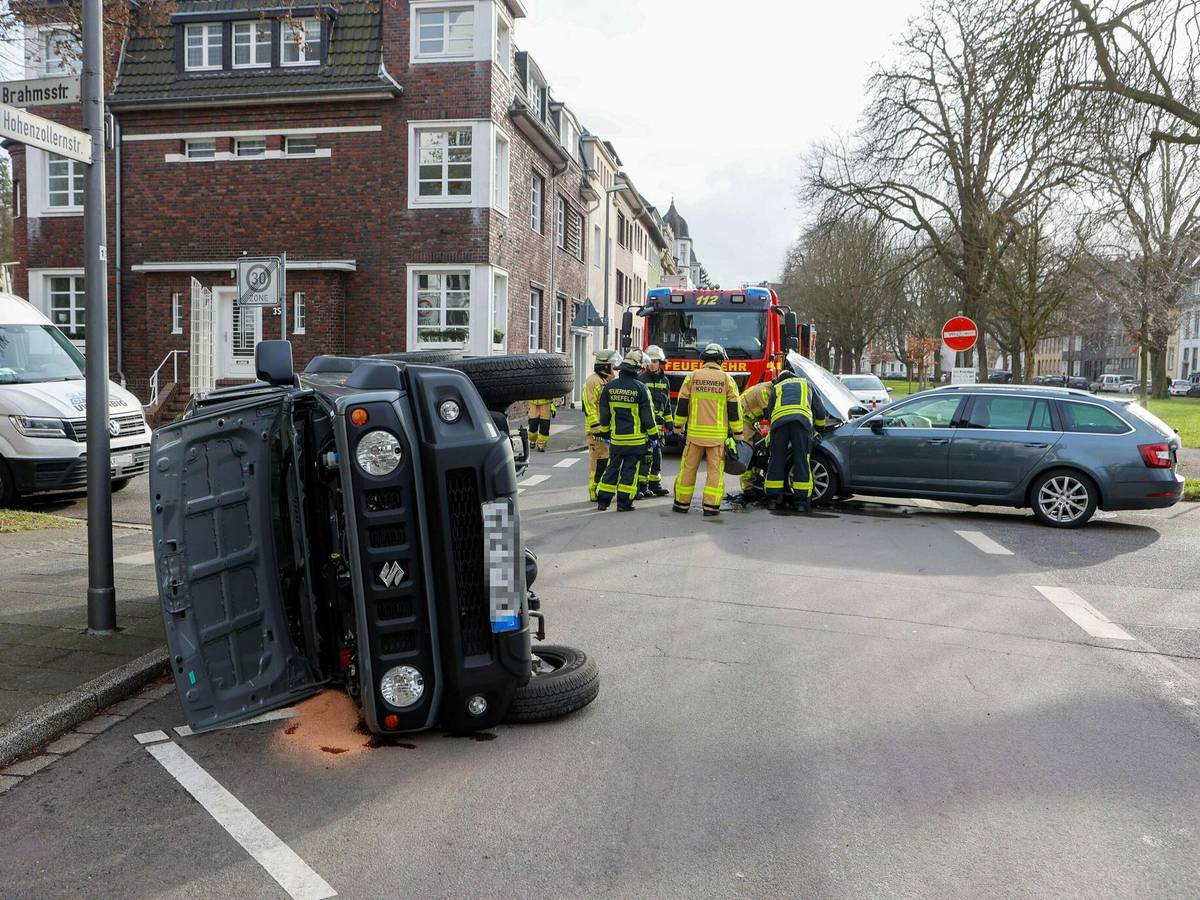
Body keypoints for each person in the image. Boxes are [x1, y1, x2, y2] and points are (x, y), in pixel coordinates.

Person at [672, 343, 742, 517]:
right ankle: (711, 507)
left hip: (694, 435)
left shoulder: (692, 377)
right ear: (720, 360)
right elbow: (734, 410)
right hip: (717, 438)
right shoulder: (727, 380)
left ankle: (682, 503)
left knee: (688, 469)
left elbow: (682, 405)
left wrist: (678, 427)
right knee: (714, 472)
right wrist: (738, 434)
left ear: (703, 359)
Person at [596, 350, 657, 512]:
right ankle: (624, 504)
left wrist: (605, 433)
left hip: (616, 440)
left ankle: (603, 501)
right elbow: (648, 417)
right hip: (636, 441)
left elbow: (604, 414)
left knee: (612, 469)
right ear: (636, 369)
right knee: (630, 471)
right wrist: (654, 436)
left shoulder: (609, 387)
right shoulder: (641, 388)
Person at [763, 362, 828, 514]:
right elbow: (820, 410)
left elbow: (770, 411)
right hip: (801, 422)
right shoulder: (806, 384)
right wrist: (818, 430)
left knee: (776, 459)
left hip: (779, 423)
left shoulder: (777, 387)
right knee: (802, 460)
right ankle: (801, 503)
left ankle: (773, 500)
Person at [583, 350, 619, 502]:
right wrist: (597, 428)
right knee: (598, 462)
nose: (613, 367)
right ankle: (594, 490)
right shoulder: (592, 381)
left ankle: (602, 489)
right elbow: (588, 407)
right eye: (611, 364)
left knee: (606, 461)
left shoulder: (607, 381)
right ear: (605, 366)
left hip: (606, 430)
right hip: (596, 431)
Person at [637, 345, 673, 499]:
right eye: (649, 361)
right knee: (645, 458)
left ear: (661, 362)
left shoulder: (665, 381)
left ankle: (654, 485)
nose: (651, 364)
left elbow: (667, 404)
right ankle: (641, 487)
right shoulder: (641, 379)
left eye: (655, 361)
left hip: (658, 428)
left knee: (657, 457)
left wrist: (670, 423)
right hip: (644, 427)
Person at [737, 378, 774, 497]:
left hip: (753, 420)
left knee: (758, 450)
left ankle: (755, 479)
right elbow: (768, 414)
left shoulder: (769, 389)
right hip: (744, 419)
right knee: (748, 450)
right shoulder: (764, 391)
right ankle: (747, 488)